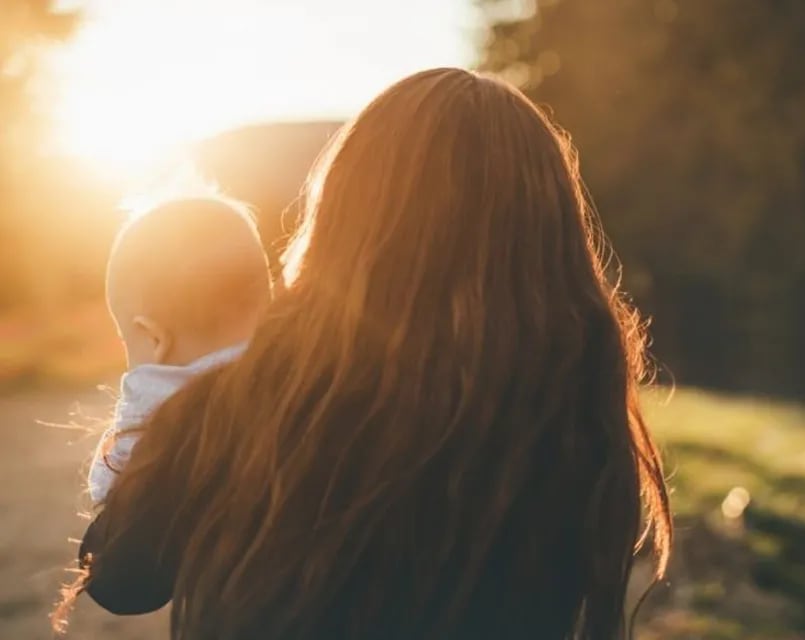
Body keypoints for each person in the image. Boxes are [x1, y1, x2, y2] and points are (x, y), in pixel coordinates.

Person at [65, 67, 672, 640]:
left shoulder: (271, 396)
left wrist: (163, 383)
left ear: (346, 220)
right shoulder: (574, 410)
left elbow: (124, 575)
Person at [87, 197, 271, 504]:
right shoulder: (299, 384)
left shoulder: (153, 418)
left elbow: (108, 493)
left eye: (126, 341)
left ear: (155, 338)